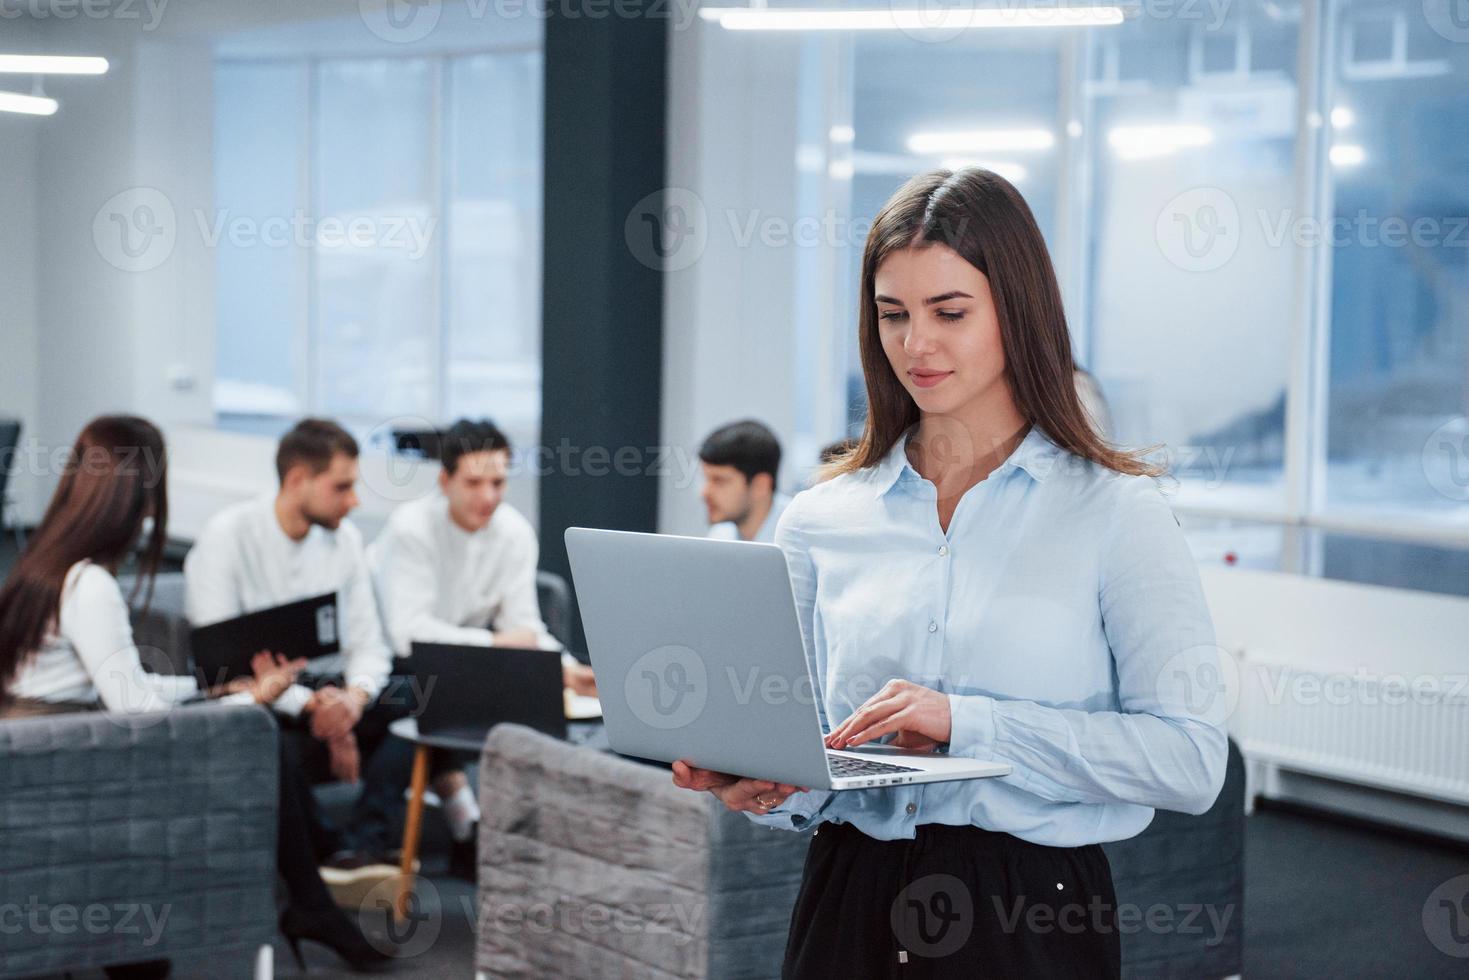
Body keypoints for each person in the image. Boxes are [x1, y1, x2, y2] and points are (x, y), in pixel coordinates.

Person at [672, 169, 1227, 978]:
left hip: (1029, 909)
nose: (915, 344)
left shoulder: (1114, 513)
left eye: (949, 312)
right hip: (848, 893)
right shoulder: (821, 517)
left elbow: (1187, 762)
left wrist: (968, 723)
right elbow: (808, 747)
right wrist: (763, 783)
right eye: (892, 314)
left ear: (1018, 311)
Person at [0, 416, 388, 972]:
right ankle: (307, 901)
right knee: (258, 745)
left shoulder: (45, 566)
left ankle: (308, 901)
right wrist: (244, 705)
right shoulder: (91, 586)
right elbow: (136, 711)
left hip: (48, 755)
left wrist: (222, 689)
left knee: (265, 741)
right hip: (72, 771)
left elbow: (124, 683)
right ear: (136, 497)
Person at [183, 418, 405, 895]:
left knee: (420, 695)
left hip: (331, 693)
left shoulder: (343, 541)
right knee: (265, 737)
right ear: (298, 479)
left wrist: (353, 702)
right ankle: (330, 851)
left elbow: (370, 644)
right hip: (258, 703)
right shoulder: (228, 537)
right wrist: (310, 706)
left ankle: (365, 842)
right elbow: (219, 670)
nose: (354, 501)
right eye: (342, 487)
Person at [367, 418, 595, 874]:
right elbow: (408, 634)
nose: (488, 496)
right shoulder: (411, 528)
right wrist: (497, 643)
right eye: (473, 482)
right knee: (429, 696)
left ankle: (507, 841)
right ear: (444, 480)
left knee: (539, 704)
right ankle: (374, 836)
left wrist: (563, 666)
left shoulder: (512, 531)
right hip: (387, 660)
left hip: (464, 659)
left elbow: (523, 626)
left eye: (497, 482)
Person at [698, 419, 790, 543]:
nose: (704, 493)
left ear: (760, 486)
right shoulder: (721, 534)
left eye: (719, 481)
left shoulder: (799, 535)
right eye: (707, 479)